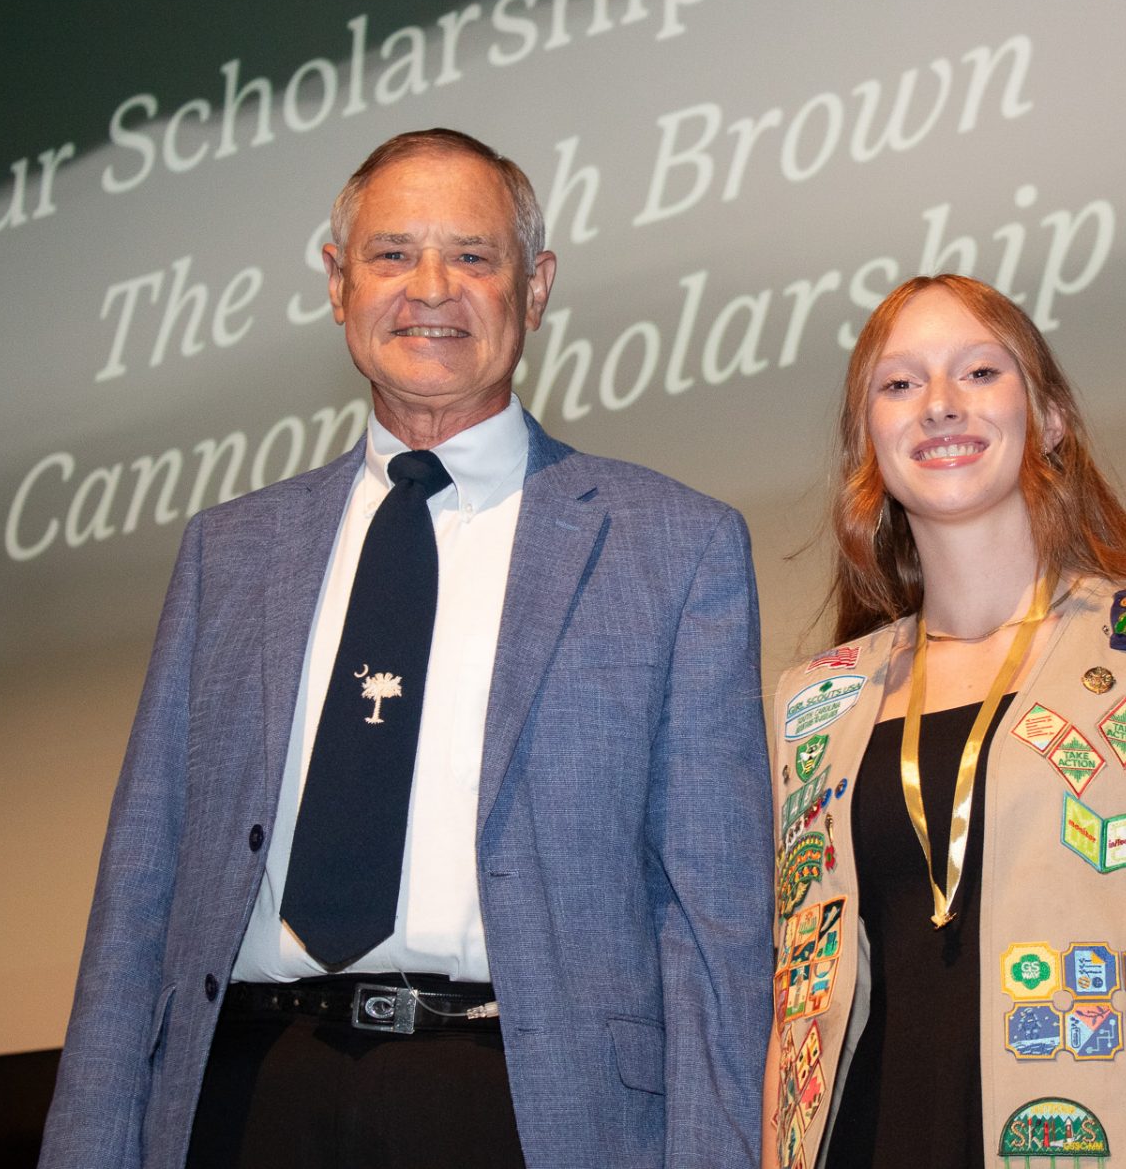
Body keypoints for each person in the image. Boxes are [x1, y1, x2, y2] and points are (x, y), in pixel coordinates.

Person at [39, 129, 775, 1169]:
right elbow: (138, 900)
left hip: (525, 1112)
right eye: (392, 256)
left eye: (473, 257)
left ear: (537, 285)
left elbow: (714, 936)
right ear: (338, 285)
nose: (432, 289)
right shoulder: (230, 552)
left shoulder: (673, 547)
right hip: (252, 1098)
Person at [764, 275, 1126, 1167]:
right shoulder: (815, 700)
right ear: (868, 441)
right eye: (900, 383)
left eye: (980, 372)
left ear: (1052, 417)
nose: (941, 405)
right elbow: (798, 1004)